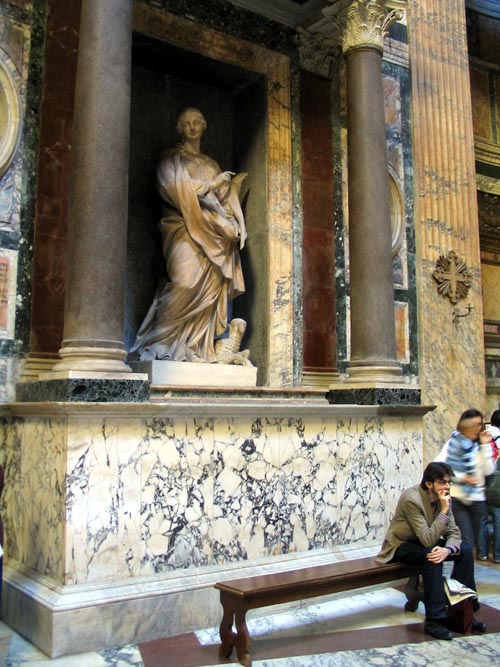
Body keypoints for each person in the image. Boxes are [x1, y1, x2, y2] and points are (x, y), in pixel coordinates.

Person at [130, 107, 247, 363]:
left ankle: (194, 346)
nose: (192, 127)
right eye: (186, 123)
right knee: (183, 282)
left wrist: (236, 224)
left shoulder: (212, 164)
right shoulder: (171, 158)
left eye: (197, 122)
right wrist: (210, 186)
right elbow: (171, 188)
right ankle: (160, 343)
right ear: (179, 129)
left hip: (215, 236)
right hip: (182, 227)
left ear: (204, 126)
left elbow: (225, 200)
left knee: (209, 288)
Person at [376, 462, 486, 640]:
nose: (447, 487)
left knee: (464, 549)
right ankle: (435, 620)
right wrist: (443, 511)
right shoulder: (411, 499)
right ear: (429, 483)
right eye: (442, 483)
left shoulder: (444, 498)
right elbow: (427, 539)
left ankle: (463, 610)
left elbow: (454, 532)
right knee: (432, 555)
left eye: (449, 482)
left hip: (427, 541)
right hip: (402, 545)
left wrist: (448, 549)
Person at [435, 409, 496, 560]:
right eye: (473, 424)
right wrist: (463, 477)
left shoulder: (480, 445)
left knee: (470, 545)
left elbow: (489, 470)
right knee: (466, 543)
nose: (477, 428)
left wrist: (485, 446)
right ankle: (463, 580)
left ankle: (461, 578)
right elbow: (439, 466)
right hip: (458, 498)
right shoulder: (453, 443)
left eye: (479, 424)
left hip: (477, 500)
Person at [482, 409, 500, 563]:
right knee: (498, 517)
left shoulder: (480, 436)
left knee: (482, 519)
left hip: (479, 483)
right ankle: (498, 555)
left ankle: (482, 553)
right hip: (496, 485)